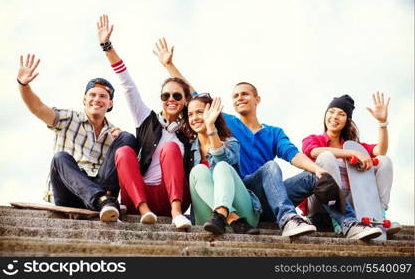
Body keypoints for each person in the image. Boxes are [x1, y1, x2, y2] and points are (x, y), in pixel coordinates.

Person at [155, 42, 383, 240]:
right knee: (270, 167)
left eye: (244, 94)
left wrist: (319, 171)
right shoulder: (230, 123)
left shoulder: (274, 132)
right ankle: (288, 219)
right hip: (242, 190)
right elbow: (197, 99)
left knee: (316, 175)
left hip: (271, 194)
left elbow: (294, 155)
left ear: (257, 99)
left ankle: (349, 224)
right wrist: (169, 66)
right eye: (235, 96)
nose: (239, 98)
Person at [96, 15, 192, 229]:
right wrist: (107, 46)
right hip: (140, 195)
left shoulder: (190, 130)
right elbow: (127, 84)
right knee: (123, 152)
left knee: (170, 147)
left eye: (177, 96)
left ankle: (176, 213)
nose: (171, 100)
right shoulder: (146, 119)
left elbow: (199, 98)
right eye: (166, 96)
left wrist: (169, 65)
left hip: (171, 197)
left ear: (185, 101)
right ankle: (144, 211)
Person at [16, 54, 137, 222]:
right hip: (69, 191)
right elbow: (37, 108)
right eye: (92, 95)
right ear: (84, 99)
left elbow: (128, 166)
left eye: (103, 96)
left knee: (127, 138)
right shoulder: (68, 118)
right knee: (60, 158)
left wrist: (118, 141)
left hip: (100, 185)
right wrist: (23, 84)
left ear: (110, 103)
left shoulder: (113, 133)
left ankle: (105, 200)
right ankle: (102, 200)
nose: (97, 99)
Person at [301, 94, 401, 235]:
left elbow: (381, 150)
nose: (335, 116)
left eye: (341, 114)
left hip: (351, 205)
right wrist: (350, 153)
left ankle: (378, 215)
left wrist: (382, 123)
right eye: (331, 112)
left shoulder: (353, 146)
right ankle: (340, 221)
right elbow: (314, 152)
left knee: (384, 161)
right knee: (327, 157)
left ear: (347, 120)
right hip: (321, 205)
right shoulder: (313, 139)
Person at [183, 94, 261, 235]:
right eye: (190, 115)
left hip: (245, 215)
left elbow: (221, 161)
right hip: (209, 218)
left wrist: (210, 126)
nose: (194, 118)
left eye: (199, 112)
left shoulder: (231, 143)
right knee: (198, 170)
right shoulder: (188, 150)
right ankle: (231, 218)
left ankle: (223, 213)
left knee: (222, 166)